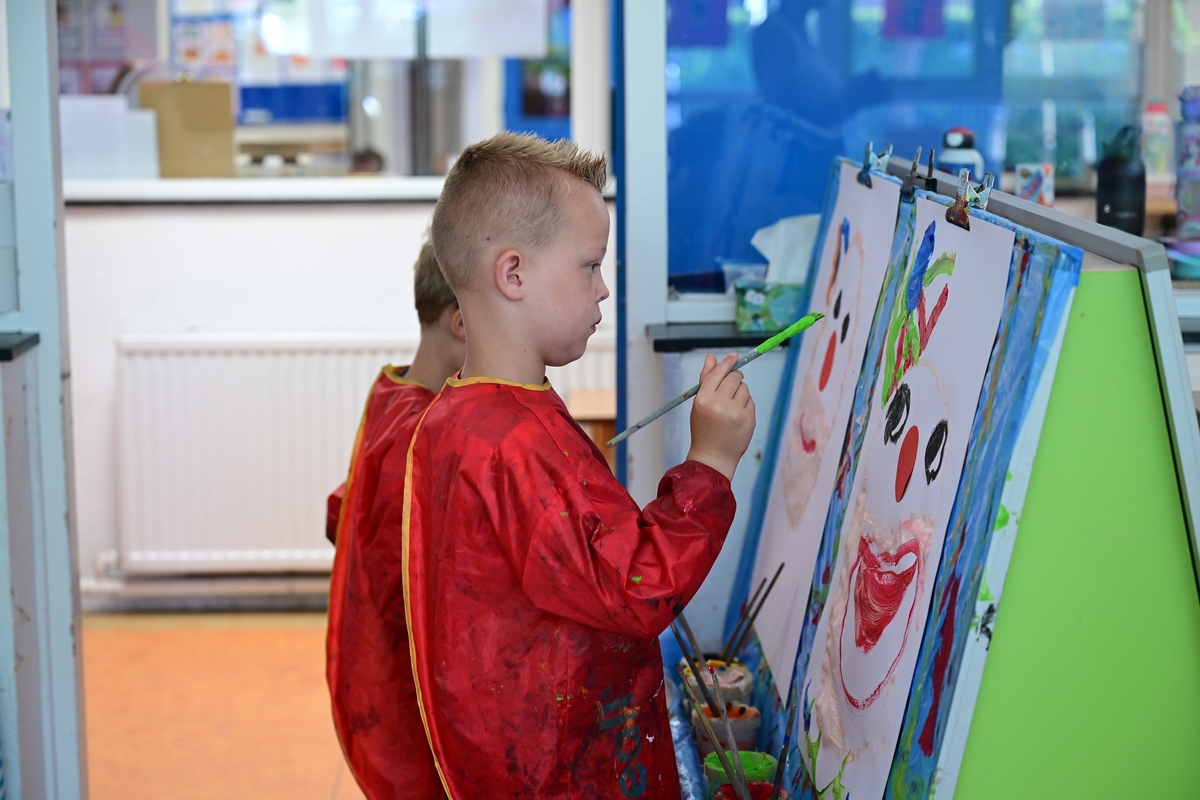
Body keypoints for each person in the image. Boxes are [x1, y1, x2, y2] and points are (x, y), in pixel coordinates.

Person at [400, 132, 756, 798]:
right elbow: (634, 587)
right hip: (558, 769)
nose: (603, 289)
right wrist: (711, 461)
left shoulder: (457, 413)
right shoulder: (515, 442)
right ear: (513, 274)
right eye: (589, 266)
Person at [326, 238, 465, 800]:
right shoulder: (422, 432)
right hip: (402, 695)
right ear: (463, 323)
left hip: (370, 673)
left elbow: (344, 510)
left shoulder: (393, 388)